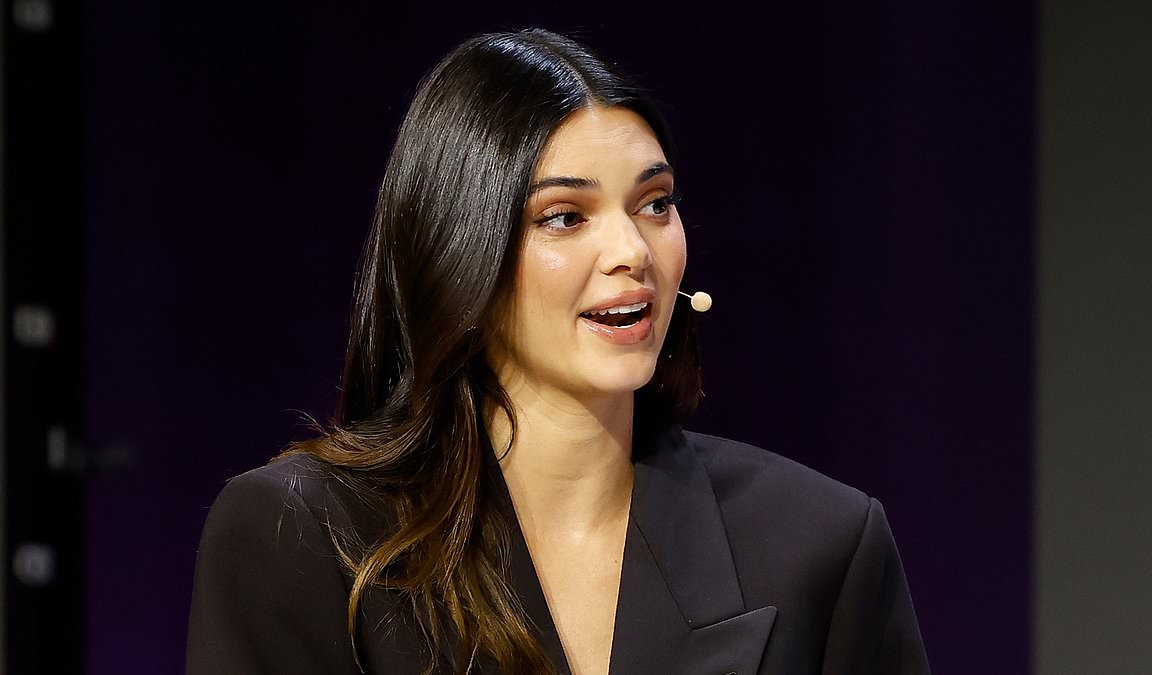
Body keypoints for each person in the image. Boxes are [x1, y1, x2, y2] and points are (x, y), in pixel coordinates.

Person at [186, 29, 930, 675]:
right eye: (566, 216)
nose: (632, 251)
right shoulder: (302, 538)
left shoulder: (821, 544)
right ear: (460, 252)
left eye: (655, 204)